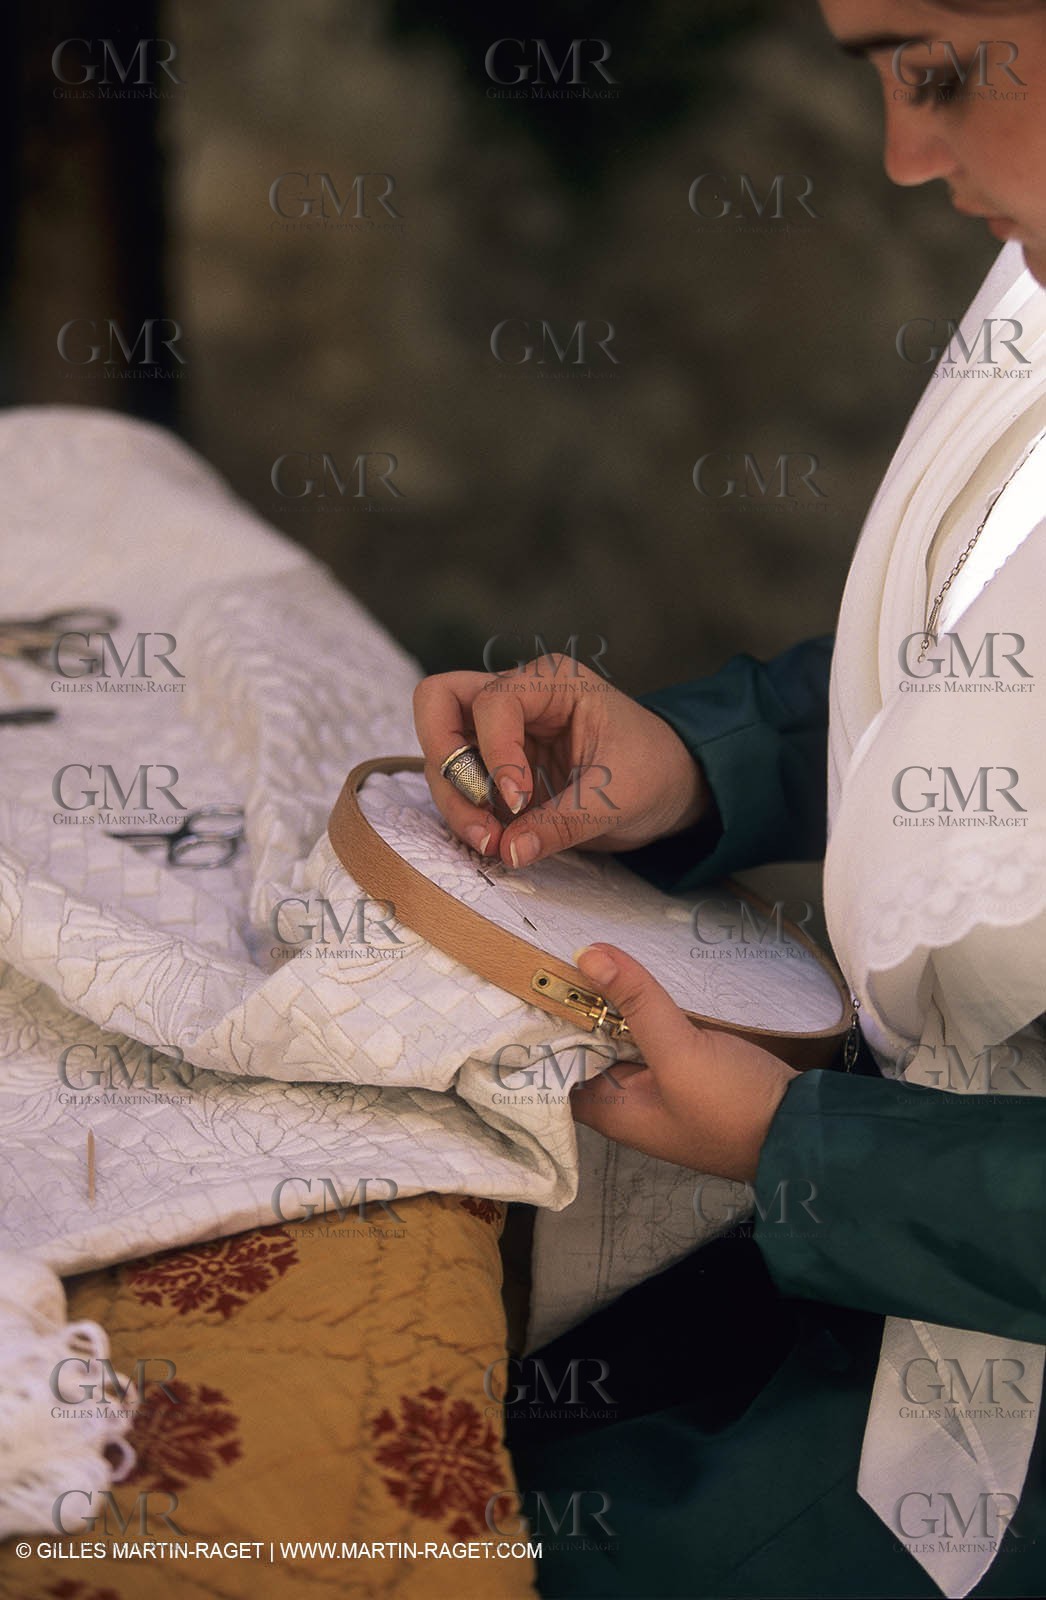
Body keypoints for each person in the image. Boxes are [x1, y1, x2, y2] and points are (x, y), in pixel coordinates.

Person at [413, 3, 1046, 1595]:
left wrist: (796, 1147)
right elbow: (981, 646)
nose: (904, 154)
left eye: (943, 71)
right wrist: (703, 757)